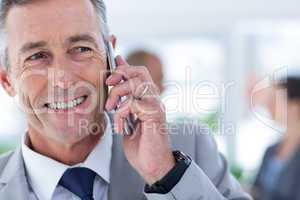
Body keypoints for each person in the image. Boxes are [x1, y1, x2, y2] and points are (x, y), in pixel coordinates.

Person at [0, 0, 251, 199]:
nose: (63, 80)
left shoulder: (189, 148)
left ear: (110, 56)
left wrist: (163, 174)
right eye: (36, 56)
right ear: (7, 80)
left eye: (81, 49)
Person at [252, 75, 300, 200]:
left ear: (296, 105)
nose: (268, 105)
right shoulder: (271, 150)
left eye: (276, 100)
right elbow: (256, 190)